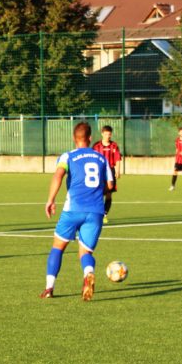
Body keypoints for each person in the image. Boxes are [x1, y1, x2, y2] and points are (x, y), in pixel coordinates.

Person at [41, 122, 113, 301]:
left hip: (73, 210)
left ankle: (49, 288)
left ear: (74, 138)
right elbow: (110, 185)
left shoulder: (67, 156)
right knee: (85, 253)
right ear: (90, 138)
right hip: (95, 211)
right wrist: (97, 191)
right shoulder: (101, 158)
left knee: (58, 248)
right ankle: (88, 272)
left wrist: (51, 199)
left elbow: (58, 175)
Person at [92, 125, 121, 224]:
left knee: (109, 194)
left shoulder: (114, 145)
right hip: (99, 171)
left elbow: (117, 159)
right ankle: (97, 214)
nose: (108, 136)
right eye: (106, 134)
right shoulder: (96, 146)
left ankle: (104, 214)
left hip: (111, 171)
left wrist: (117, 171)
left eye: (109, 134)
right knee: (98, 193)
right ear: (102, 134)